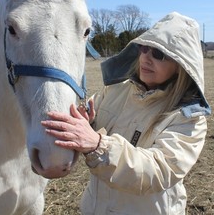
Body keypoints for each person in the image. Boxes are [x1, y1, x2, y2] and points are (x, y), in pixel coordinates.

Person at [41, 12, 211, 215]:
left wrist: (97, 144)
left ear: (179, 66)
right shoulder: (115, 90)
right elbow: (88, 132)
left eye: (158, 54)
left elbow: (158, 171)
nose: (146, 57)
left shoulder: (189, 118)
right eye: (144, 48)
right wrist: (88, 123)